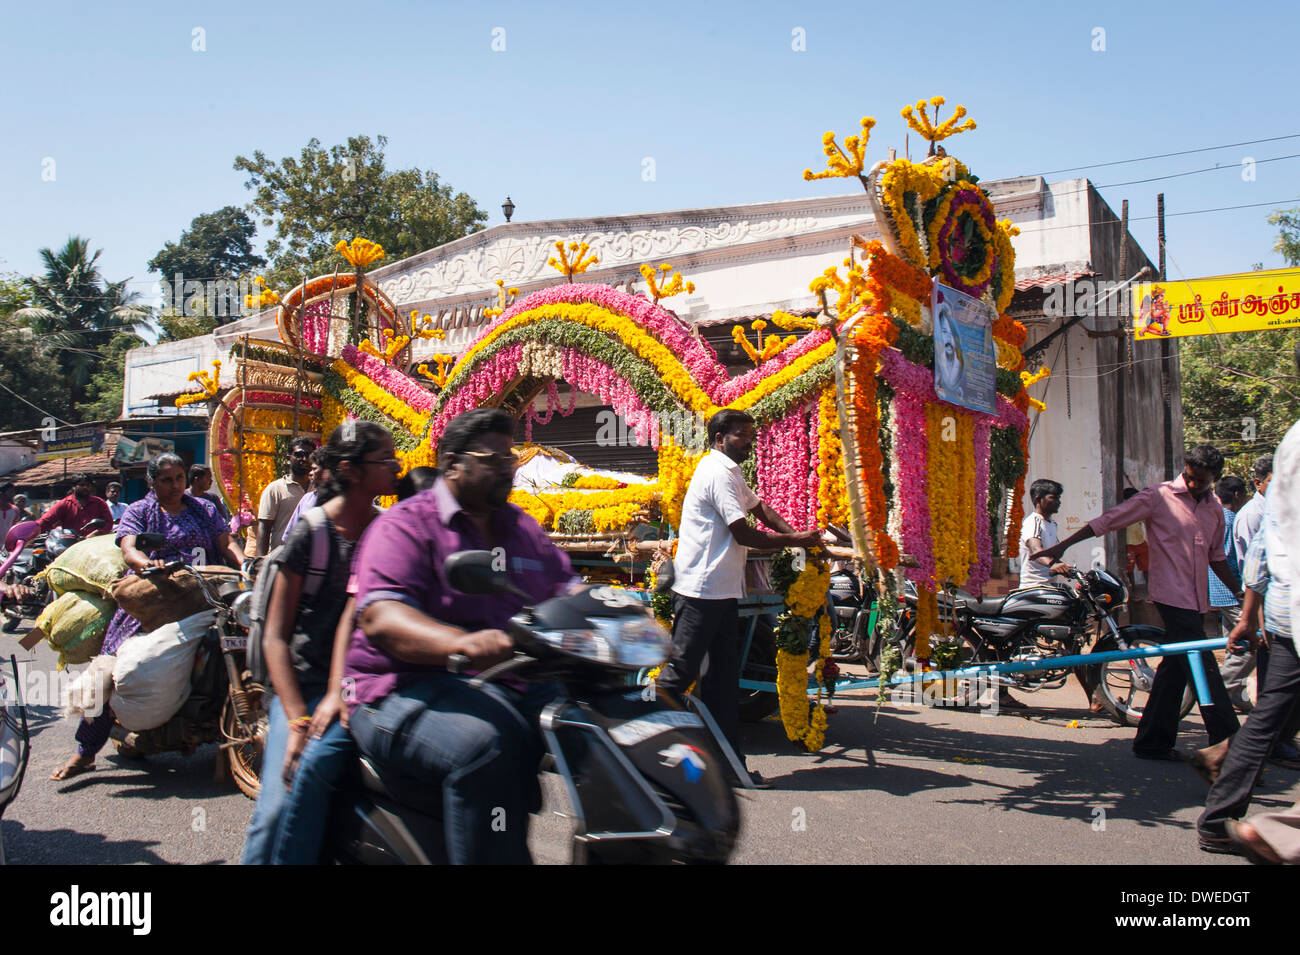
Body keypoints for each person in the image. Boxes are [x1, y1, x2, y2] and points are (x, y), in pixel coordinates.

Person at [344, 408, 576, 864]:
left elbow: (565, 587)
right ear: (451, 464)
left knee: (596, 726)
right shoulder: (405, 525)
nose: (505, 468)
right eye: (491, 459)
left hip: (506, 680)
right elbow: (382, 616)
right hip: (396, 689)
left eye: (509, 459)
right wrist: (462, 644)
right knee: (489, 745)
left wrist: (611, 613)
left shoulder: (522, 528)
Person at [242, 421, 398, 865]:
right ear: (350, 469)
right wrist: (295, 723)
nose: (395, 466)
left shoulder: (387, 531)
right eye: (384, 460)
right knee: (277, 809)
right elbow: (275, 636)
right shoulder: (311, 533)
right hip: (304, 688)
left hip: (364, 689)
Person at [1032, 445, 1242, 760]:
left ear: (1215, 478)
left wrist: (1239, 592)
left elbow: (1217, 557)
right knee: (1202, 663)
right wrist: (1062, 546)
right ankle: (1231, 748)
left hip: (1198, 601)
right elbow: (1108, 520)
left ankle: (1152, 743)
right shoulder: (1159, 496)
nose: (1192, 484)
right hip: (1172, 596)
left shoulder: (1213, 509)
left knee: (1176, 668)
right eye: (1189, 476)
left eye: (1200, 480)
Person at [50, 453, 244, 781]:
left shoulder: (205, 509)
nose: (174, 485)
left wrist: (244, 560)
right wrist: (145, 564)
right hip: (156, 601)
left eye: (179, 478)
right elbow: (128, 548)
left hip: (205, 595)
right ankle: (85, 752)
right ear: (152, 482)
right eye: (166, 480)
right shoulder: (141, 512)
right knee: (111, 672)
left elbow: (226, 541)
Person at [655, 409, 822, 786]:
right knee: (676, 678)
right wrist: (798, 541)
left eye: (750, 434)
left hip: (721, 593)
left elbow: (759, 507)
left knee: (722, 685)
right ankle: (637, 753)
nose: (749, 440)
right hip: (700, 592)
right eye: (741, 435)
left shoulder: (730, 471)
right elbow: (745, 534)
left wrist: (798, 534)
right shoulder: (715, 472)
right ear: (719, 439)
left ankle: (728, 768)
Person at [1223, 456, 1273, 709]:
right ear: (1258, 483)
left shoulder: (1277, 511)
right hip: (1255, 598)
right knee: (1250, 647)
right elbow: (1252, 570)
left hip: (1269, 600)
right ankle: (1223, 691)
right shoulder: (1253, 515)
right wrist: (1254, 613)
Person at [1209, 476, 1247, 710]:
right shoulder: (1232, 520)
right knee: (1251, 643)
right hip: (1233, 592)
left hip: (1219, 591)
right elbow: (1230, 559)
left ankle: (1234, 694)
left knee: (1233, 643)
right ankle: (1222, 689)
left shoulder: (1215, 517)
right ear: (1236, 494)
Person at [253, 437, 316, 557]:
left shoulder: (318, 489)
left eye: (308, 455)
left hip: (310, 558)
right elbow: (264, 528)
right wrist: (260, 561)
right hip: (281, 559)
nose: (304, 459)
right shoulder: (275, 489)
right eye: (299, 455)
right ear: (288, 459)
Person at [1018, 479, 1072, 588]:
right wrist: (1053, 565)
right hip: (1034, 587)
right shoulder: (1033, 522)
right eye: (1053, 498)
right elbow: (1036, 550)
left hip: (1048, 586)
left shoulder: (1052, 524)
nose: (1058, 502)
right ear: (1039, 499)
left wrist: (1065, 567)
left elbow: (1051, 555)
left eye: (1059, 498)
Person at [37, 473, 113, 538]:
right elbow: (46, 520)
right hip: (70, 544)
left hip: (93, 544)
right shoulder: (65, 503)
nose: (85, 487)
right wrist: (32, 530)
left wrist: (93, 535)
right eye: (82, 485)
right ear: (73, 487)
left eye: (88, 485)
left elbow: (108, 523)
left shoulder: (99, 503)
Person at [281, 448, 328, 539]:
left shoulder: (339, 501)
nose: (310, 473)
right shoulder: (307, 499)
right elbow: (289, 538)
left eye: (314, 469)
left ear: (328, 471)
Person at [933, 306, 965, 404]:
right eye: (944, 332)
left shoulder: (959, 365)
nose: (949, 338)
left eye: (952, 334)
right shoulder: (937, 361)